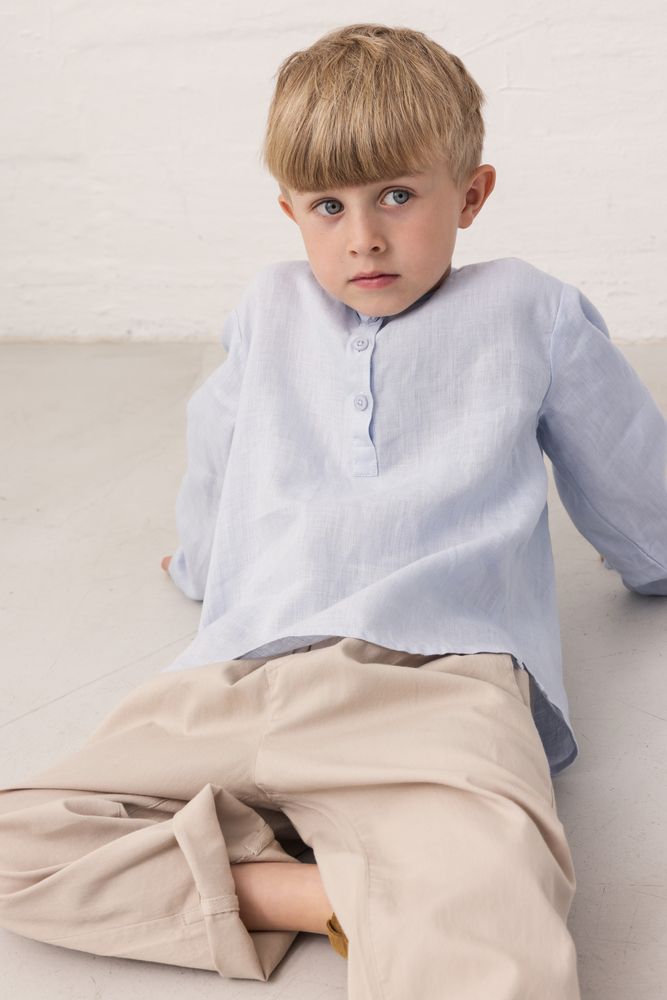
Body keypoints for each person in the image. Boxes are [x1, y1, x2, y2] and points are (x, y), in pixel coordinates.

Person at [1, 22, 665, 1000]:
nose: (363, 237)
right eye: (327, 206)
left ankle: (373, 884)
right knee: (18, 845)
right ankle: (334, 896)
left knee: (500, 937)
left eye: (396, 195)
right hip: (237, 677)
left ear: (470, 193)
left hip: (436, 692)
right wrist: (197, 565)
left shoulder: (530, 309)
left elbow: (635, 478)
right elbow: (220, 458)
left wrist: (653, 557)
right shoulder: (266, 309)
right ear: (290, 211)